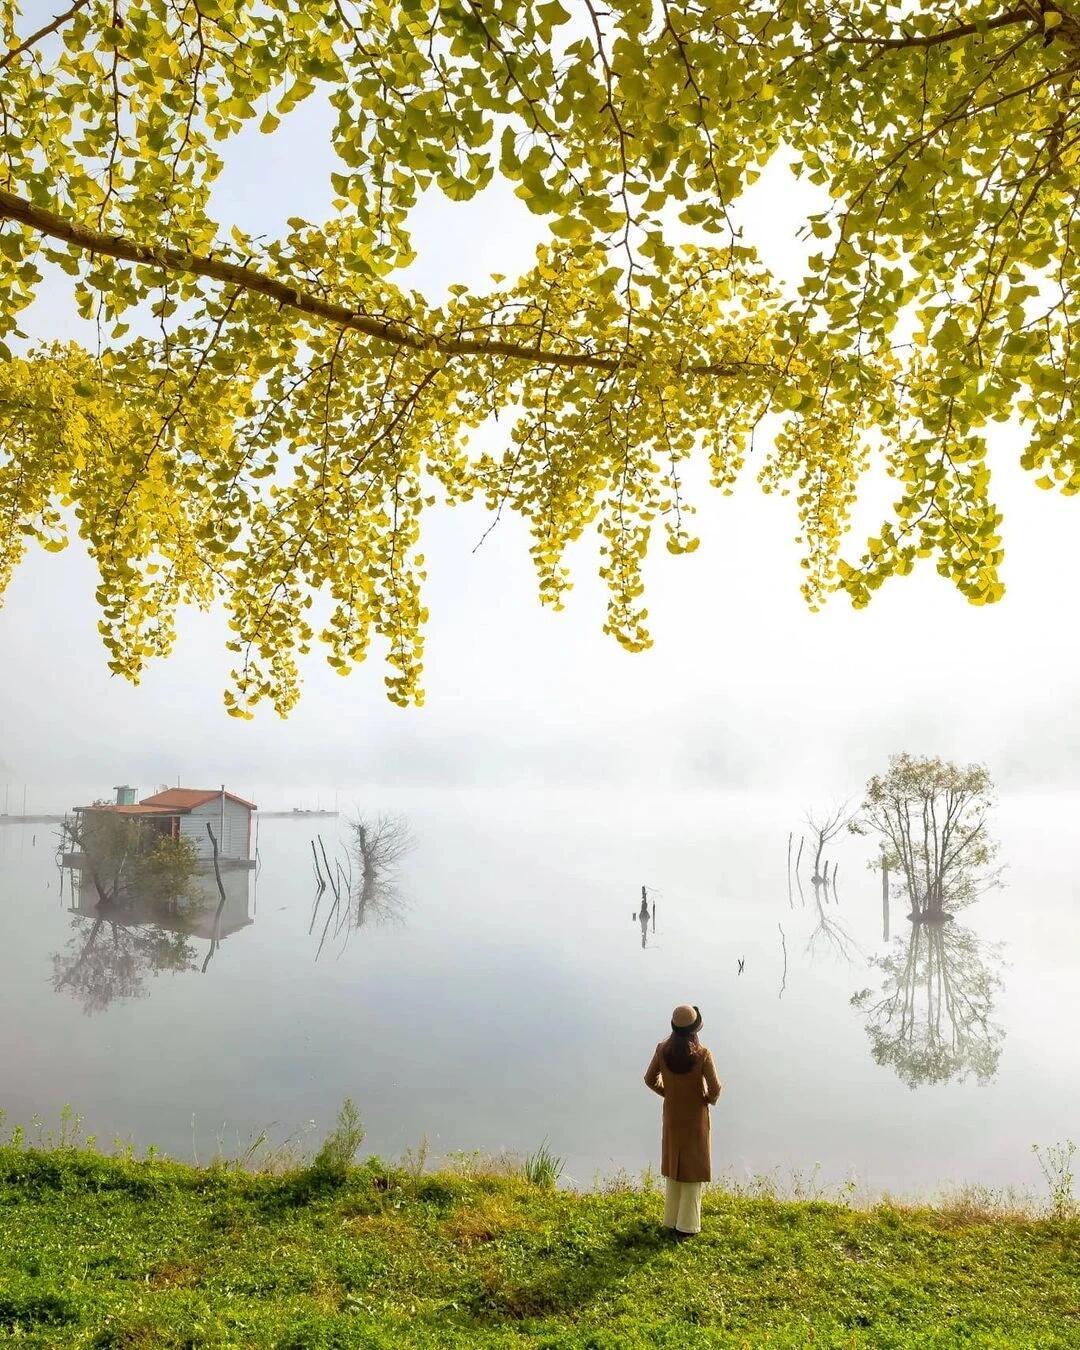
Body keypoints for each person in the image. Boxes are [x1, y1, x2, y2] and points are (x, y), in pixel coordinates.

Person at [643, 1004, 722, 1238]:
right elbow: (715, 1088)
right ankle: (687, 1226)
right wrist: (707, 1099)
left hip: (672, 1115)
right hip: (695, 1117)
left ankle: (670, 1220)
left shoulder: (661, 1050)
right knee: (693, 1168)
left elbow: (649, 1079)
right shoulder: (703, 1054)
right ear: (694, 1030)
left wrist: (667, 1093)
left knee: (674, 1166)